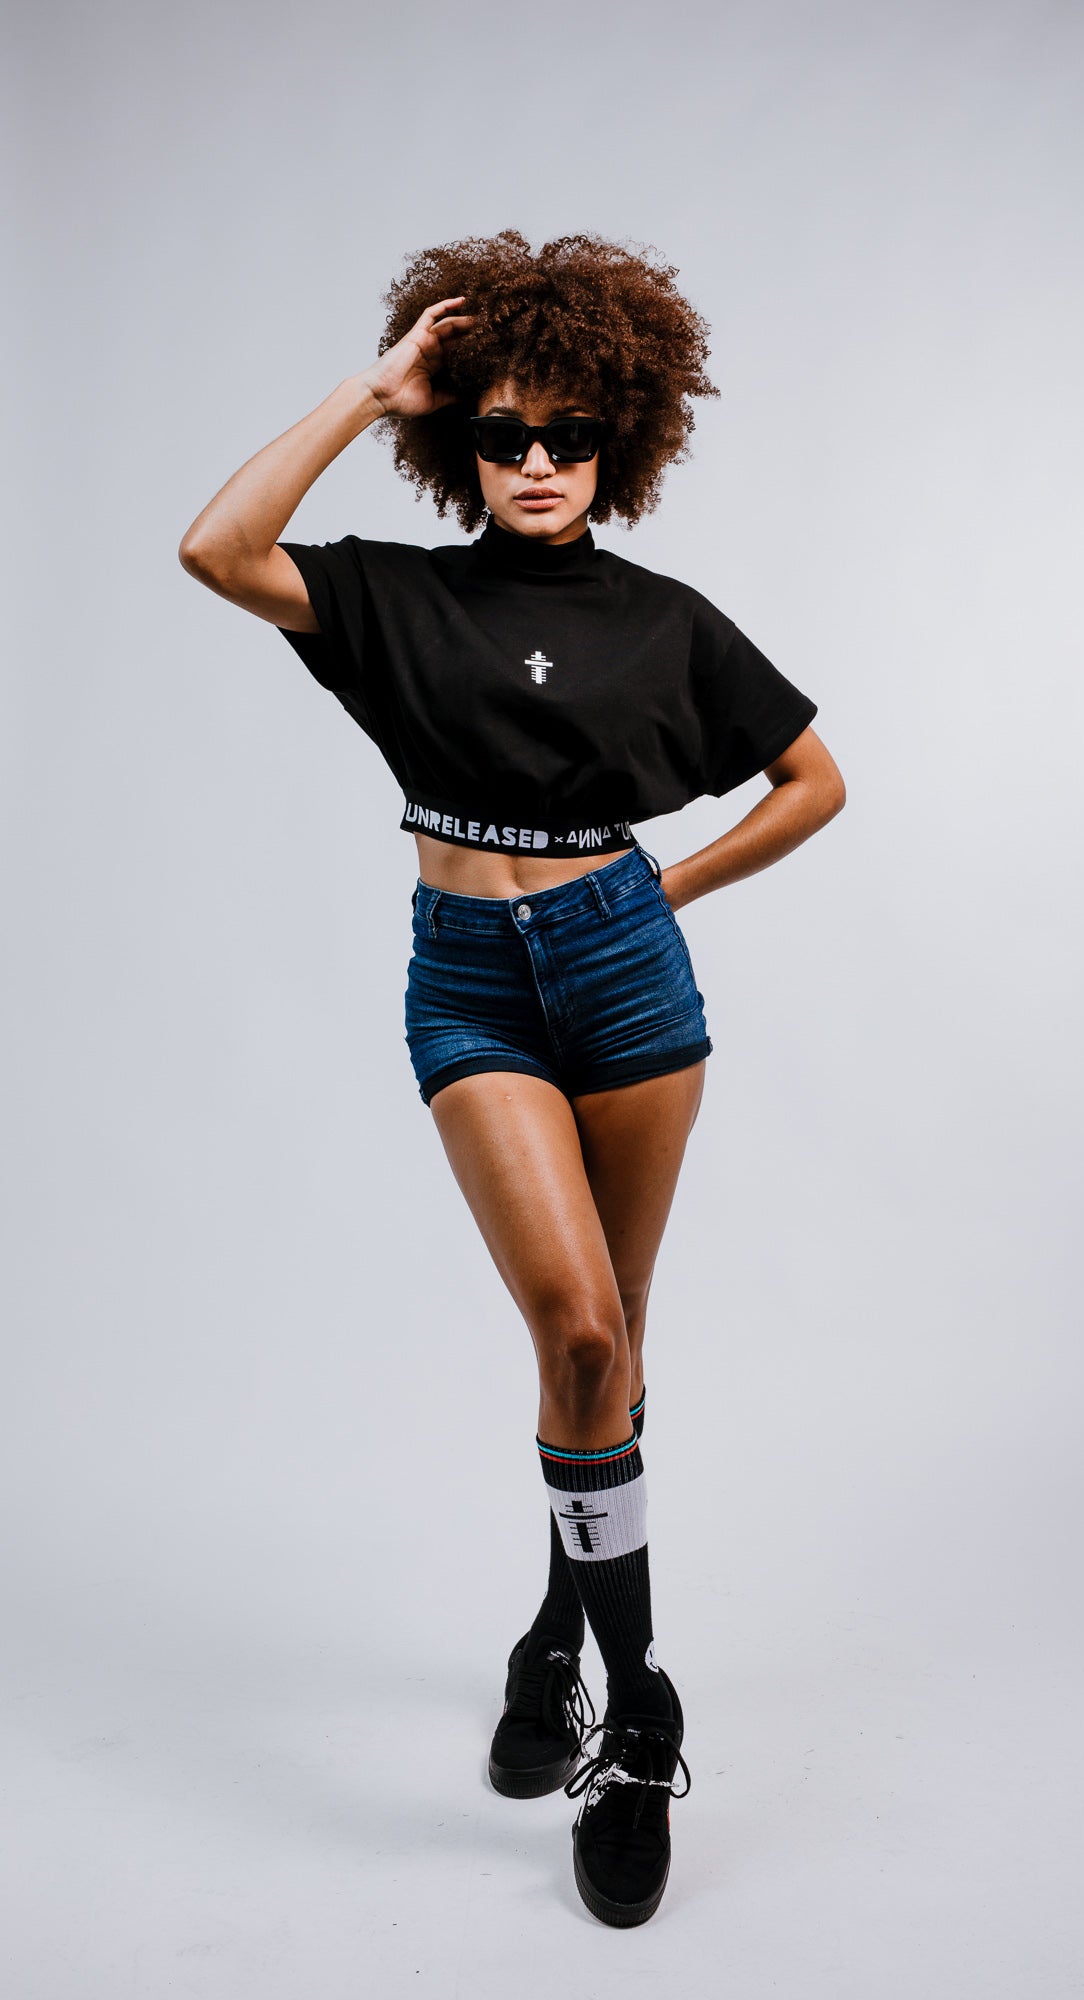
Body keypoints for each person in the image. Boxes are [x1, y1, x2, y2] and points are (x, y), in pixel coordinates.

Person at [178, 229, 846, 1927]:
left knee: (607, 1342)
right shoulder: (396, 599)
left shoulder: (668, 623)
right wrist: (374, 387)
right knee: (578, 1332)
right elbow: (213, 548)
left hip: (625, 977)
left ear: (622, 441)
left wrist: (663, 893)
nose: (537, 461)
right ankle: (641, 1712)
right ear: (461, 443)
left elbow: (811, 781)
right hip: (470, 980)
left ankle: (555, 1637)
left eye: (570, 435)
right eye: (503, 432)